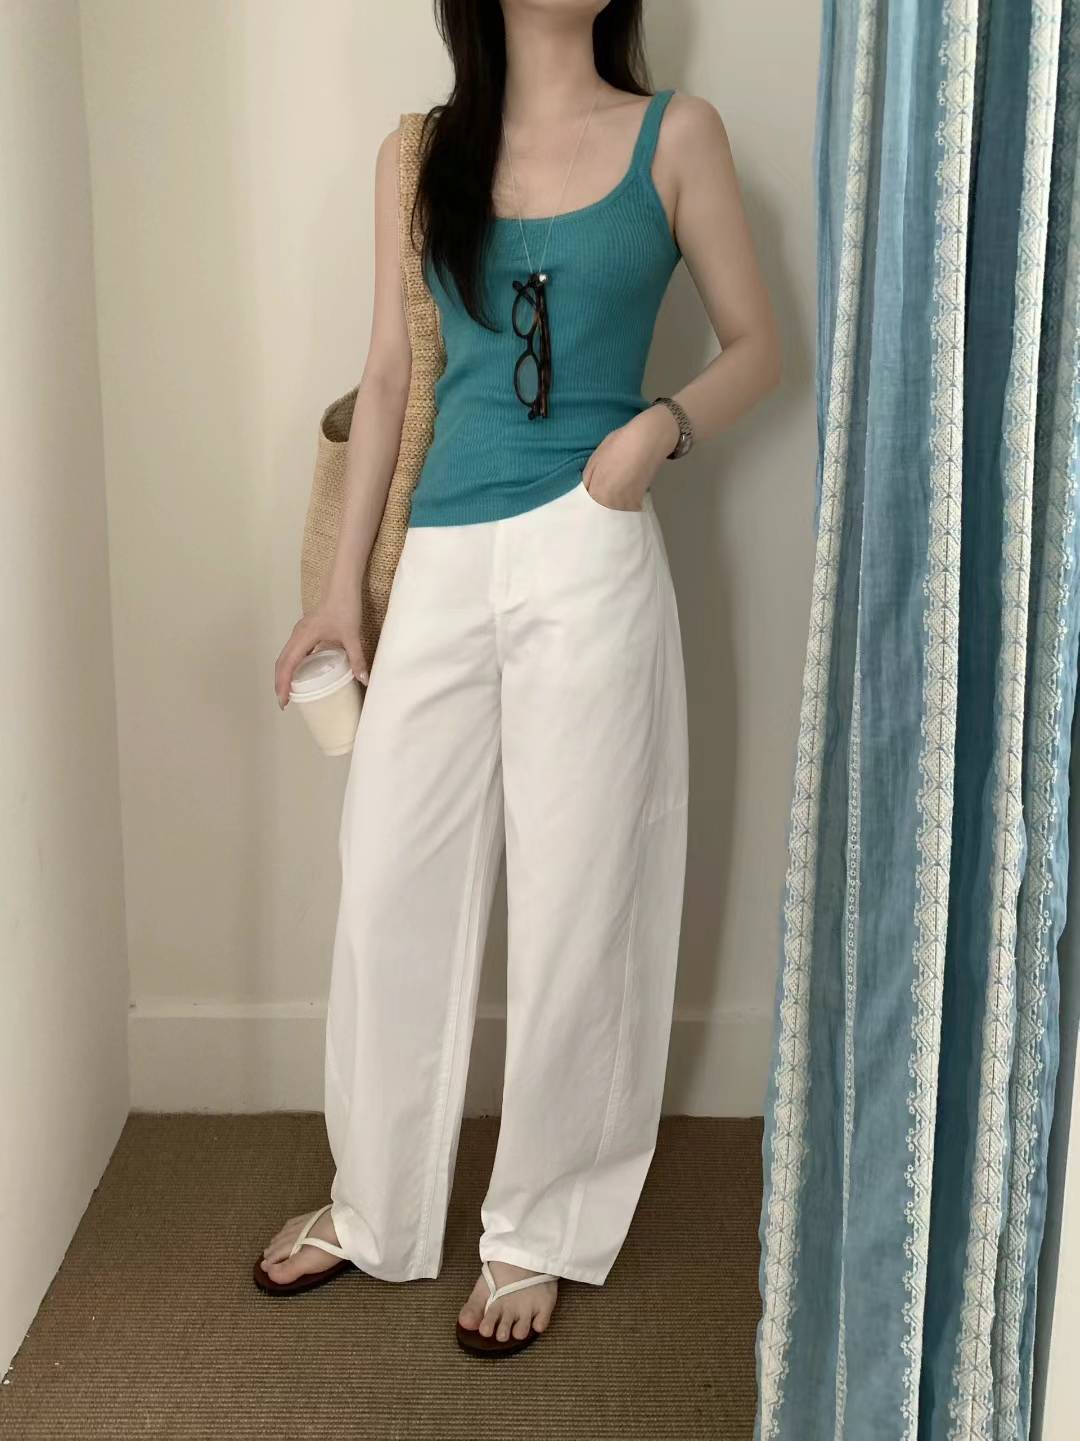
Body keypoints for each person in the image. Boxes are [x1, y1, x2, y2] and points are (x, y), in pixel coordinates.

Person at [260, 0, 780, 1357]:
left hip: (592, 547)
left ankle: (540, 1226)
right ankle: (375, 1204)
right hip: (442, 549)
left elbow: (759, 346)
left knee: (581, 892)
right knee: (389, 880)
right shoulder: (419, 153)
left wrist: (658, 431)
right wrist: (339, 593)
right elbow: (389, 378)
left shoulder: (678, 137)